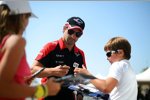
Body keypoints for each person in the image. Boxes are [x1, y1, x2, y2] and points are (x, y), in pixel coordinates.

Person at [0, 0, 61, 99]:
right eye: (28, 17)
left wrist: (22, 83)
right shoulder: (16, 41)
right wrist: (45, 90)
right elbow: (2, 89)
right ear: (23, 16)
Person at [31, 16, 87, 100]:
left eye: (78, 34)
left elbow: (83, 78)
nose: (73, 36)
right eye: (71, 31)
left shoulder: (80, 54)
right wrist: (53, 71)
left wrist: (80, 95)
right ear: (65, 28)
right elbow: (32, 71)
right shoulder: (51, 47)